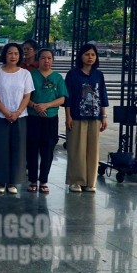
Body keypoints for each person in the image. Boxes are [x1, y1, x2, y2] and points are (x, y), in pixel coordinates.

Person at [0, 43, 34, 194]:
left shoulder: (25, 74)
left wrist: (18, 112)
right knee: (0, 149)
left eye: (16, 53)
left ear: (20, 56)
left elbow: (27, 95)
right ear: (4, 55)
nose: (13, 56)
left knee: (18, 149)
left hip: (20, 117)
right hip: (0, 116)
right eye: (10, 53)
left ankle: (13, 181)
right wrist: (6, 112)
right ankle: (1, 181)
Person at [64, 43, 109, 192]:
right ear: (81, 56)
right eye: (87, 54)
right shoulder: (73, 74)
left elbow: (103, 96)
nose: (90, 57)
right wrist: (68, 117)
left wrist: (104, 116)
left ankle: (90, 181)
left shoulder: (99, 74)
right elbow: (67, 98)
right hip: (77, 116)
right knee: (76, 149)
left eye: (93, 55)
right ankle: (76, 181)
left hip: (95, 117)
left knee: (92, 150)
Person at [26, 48, 68, 193]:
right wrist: (35, 106)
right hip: (33, 118)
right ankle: (32, 180)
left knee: (48, 149)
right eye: (43, 58)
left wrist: (47, 105)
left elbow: (62, 98)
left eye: (49, 58)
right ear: (38, 60)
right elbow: (25, 96)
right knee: (32, 148)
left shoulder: (57, 78)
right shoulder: (30, 76)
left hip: (50, 118)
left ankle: (43, 180)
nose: (46, 61)